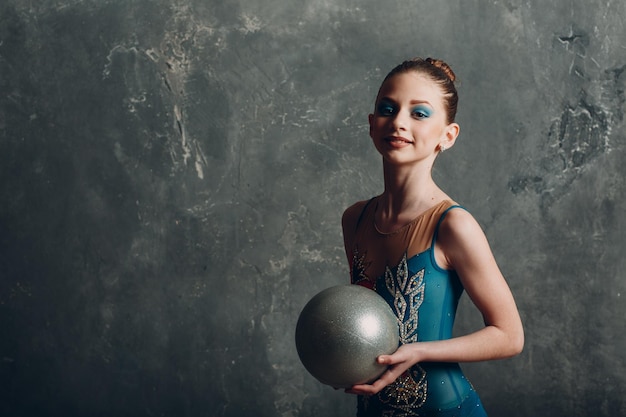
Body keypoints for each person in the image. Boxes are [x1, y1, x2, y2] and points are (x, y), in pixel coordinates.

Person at [341, 57, 524, 416]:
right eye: (387, 108)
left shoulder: (453, 225)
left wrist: (420, 351)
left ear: (448, 135)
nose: (398, 122)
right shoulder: (355, 219)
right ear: (371, 123)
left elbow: (509, 335)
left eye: (419, 113)